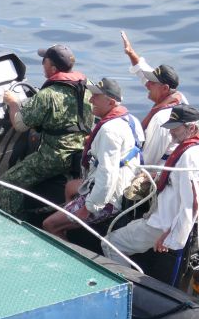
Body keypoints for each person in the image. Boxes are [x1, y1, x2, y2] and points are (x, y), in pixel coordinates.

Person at [102, 105, 199, 277]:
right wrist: (158, 175)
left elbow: (192, 202)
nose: (170, 133)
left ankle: (128, 286)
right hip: (164, 221)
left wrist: (172, 236)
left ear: (191, 128)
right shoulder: (198, 148)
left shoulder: (191, 157)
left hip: (162, 224)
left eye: (175, 129)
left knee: (110, 243)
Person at [42, 78, 144, 239]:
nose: (90, 100)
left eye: (96, 96)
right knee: (70, 186)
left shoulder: (109, 131)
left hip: (108, 200)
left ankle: (67, 248)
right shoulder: (131, 120)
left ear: (110, 102)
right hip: (123, 187)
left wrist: (88, 208)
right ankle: (70, 225)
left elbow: (107, 175)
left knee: (49, 224)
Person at [0, 44, 92, 219]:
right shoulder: (88, 88)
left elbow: (20, 124)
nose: (42, 64)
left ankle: (13, 223)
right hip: (81, 154)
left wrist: (12, 103)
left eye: (44, 61)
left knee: (8, 182)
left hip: (55, 157)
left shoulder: (48, 95)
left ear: (53, 68)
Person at [120, 31, 187, 165]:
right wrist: (131, 53)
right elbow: (143, 73)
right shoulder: (178, 98)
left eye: (152, 82)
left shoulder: (162, 120)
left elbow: (147, 160)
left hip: (160, 176)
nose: (147, 84)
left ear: (165, 88)